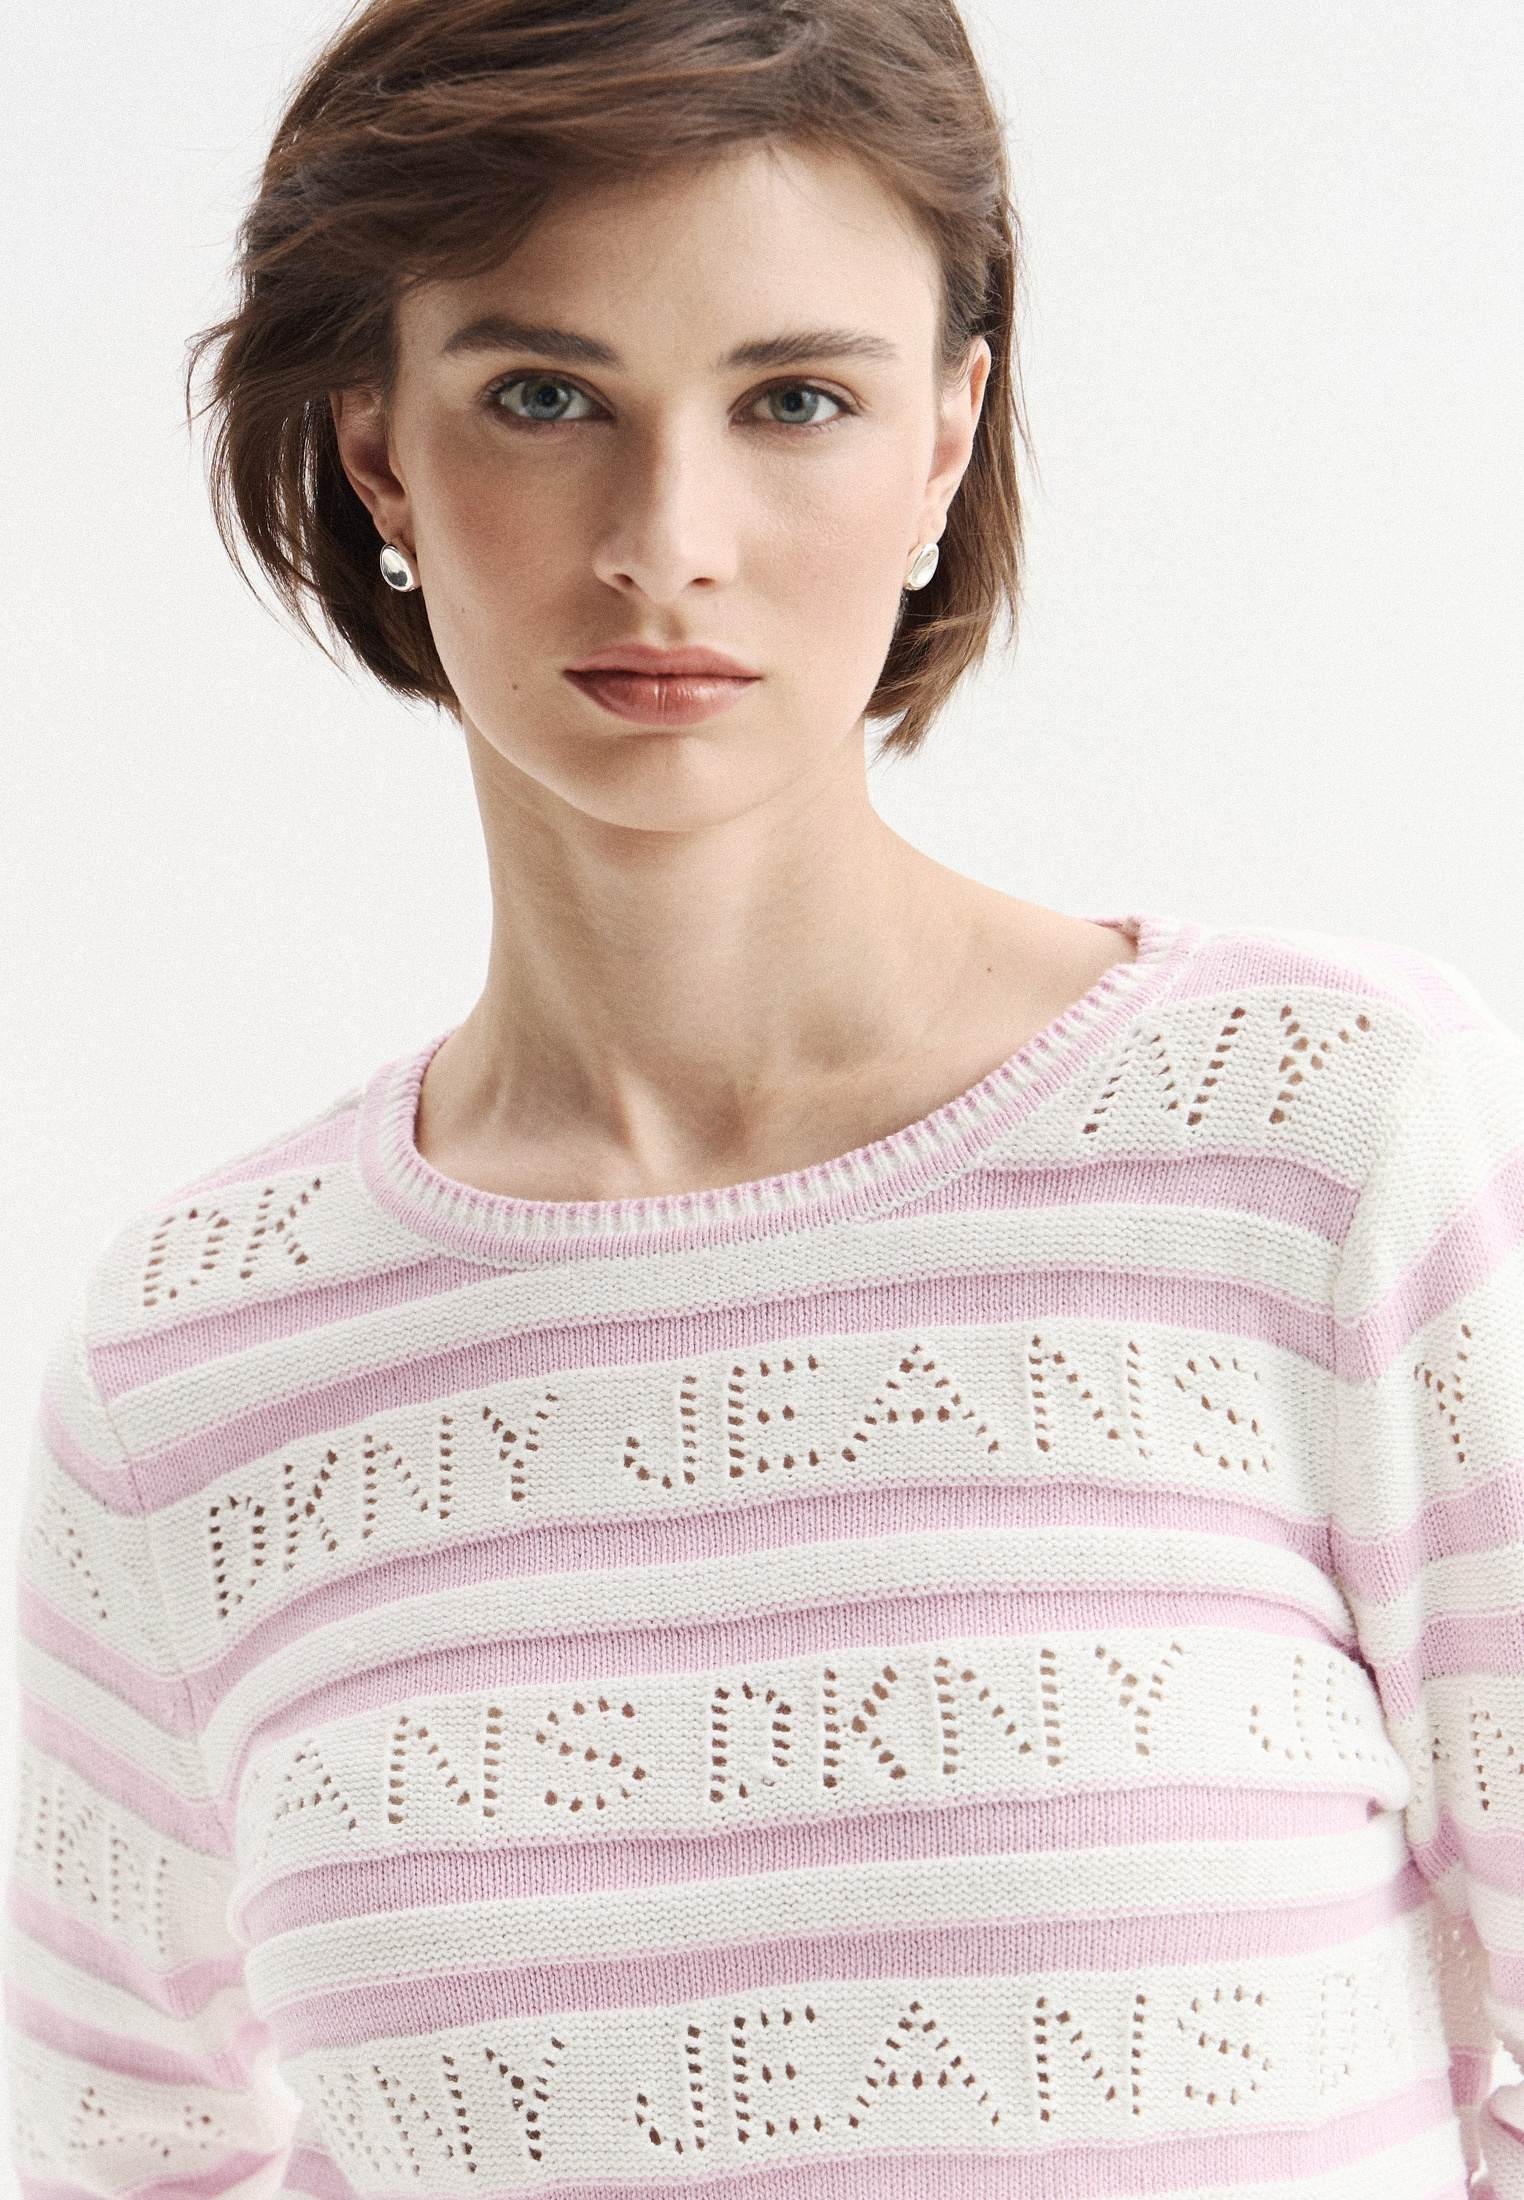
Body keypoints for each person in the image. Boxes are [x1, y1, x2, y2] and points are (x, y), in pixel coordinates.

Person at [7, 3, 1524, 2195]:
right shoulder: (191, 1369)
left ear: (946, 437)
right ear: (374, 447)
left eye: (795, 398)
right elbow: (125, 2147)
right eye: (545, 395)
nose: (669, 538)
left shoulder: (1327, 1142)